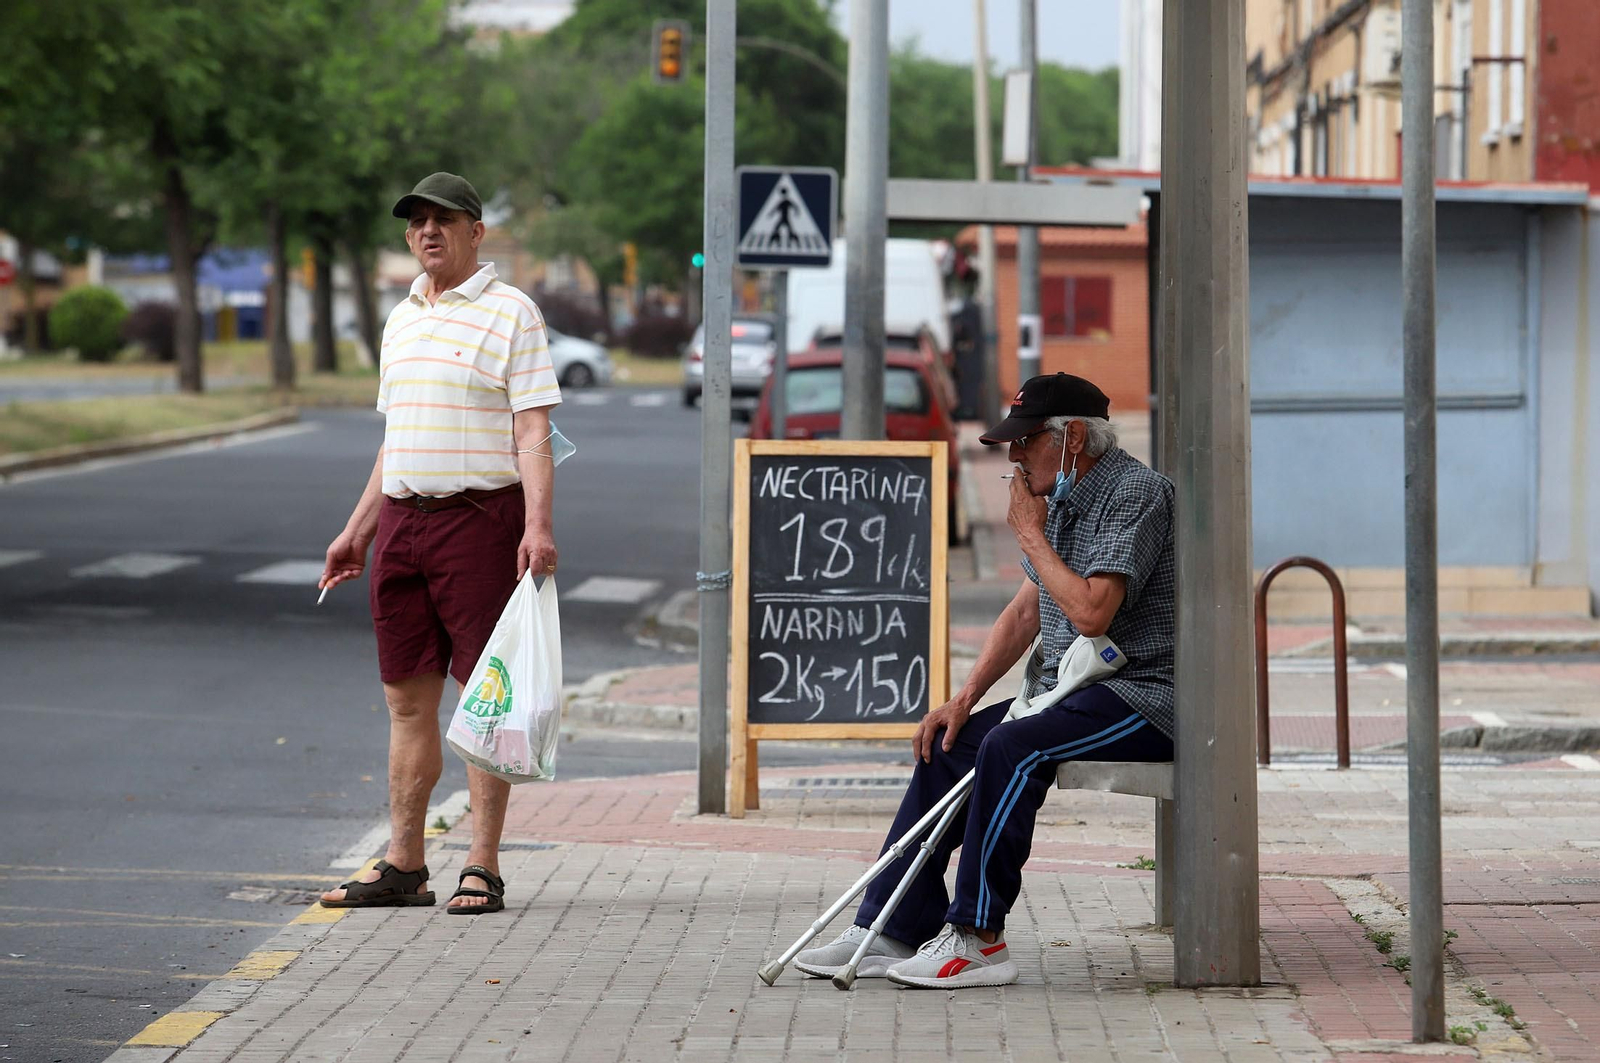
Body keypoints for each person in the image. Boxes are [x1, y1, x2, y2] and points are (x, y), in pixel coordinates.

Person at [794, 373, 1175, 987]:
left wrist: (1028, 531)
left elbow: (1091, 611)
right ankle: (893, 926)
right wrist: (962, 699)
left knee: (1011, 748)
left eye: (1025, 443)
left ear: (1073, 436)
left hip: (1143, 694)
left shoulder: (1135, 494)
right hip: (1069, 690)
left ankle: (978, 937)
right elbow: (1026, 611)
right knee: (952, 742)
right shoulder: (1063, 497)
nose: (1013, 457)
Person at [317, 172, 561, 915]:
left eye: (444, 220)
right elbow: (396, 439)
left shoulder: (512, 313)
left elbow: (532, 431)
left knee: (485, 697)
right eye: (417, 221)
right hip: (402, 523)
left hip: (479, 520)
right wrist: (357, 529)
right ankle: (405, 864)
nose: (429, 231)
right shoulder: (401, 320)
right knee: (405, 699)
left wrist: (538, 524)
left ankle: (481, 863)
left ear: (475, 231)